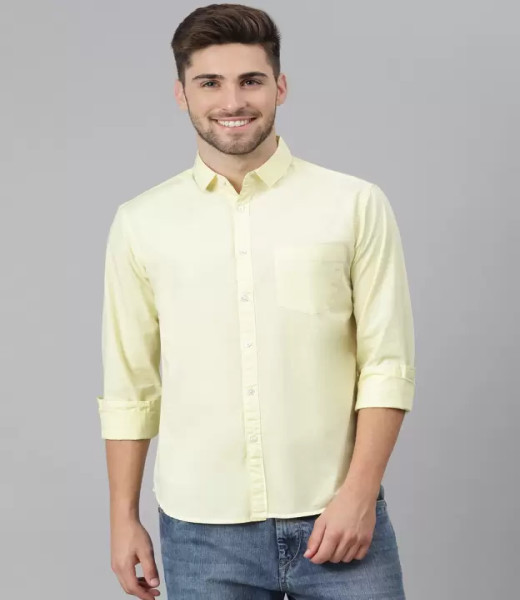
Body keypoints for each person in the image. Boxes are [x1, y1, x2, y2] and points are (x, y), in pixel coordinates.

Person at [96, 3, 416, 599]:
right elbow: (130, 386)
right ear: (181, 94)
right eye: (209, 83)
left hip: (339, 515)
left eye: (250, 80)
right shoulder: (141, 223)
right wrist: (122, 517)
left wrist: (358, 495)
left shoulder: (354, 204)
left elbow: (387, 366)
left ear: (280, 87)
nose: (232, 101)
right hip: (201, 531)